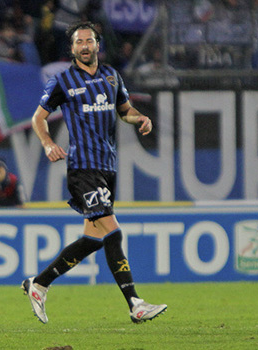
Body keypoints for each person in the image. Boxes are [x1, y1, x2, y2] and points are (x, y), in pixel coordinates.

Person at [22, 21, 167, 325]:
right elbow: (39, 118)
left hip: (107, 167)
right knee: (113, 232)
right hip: (82, 168)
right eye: (79, 42)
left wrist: (140, 117)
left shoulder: (112, 76)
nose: (85, 46)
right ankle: (135, 304)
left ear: (97, 45)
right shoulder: (62, 80)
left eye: (89, 41)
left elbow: (124, 109)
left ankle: (40, 283)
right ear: (71, 48)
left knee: (94, 239)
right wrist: (48, 143)